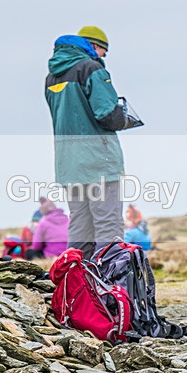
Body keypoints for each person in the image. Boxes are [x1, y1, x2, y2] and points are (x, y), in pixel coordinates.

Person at [45, 26, 124, 260]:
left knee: (79, 226)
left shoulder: (52, 76)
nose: (102, 57)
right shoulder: (91, 68)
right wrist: (122, 115)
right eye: (103, 52)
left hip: (68, 163)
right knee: (108, 224)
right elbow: (107, 113)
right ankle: (108, 286)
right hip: (98, 160)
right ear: (93, 46)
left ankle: (79, 286)